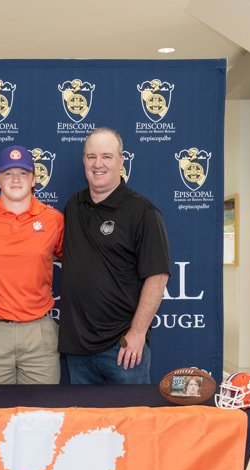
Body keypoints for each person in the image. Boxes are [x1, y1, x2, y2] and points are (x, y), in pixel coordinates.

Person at [58, 128, 171, 384]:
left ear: (121, 160)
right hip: (78, 350)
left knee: (131, 423)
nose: (98, 164)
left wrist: (138, 333)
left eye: (107, 156)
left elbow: (158, 276)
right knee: (86, 424)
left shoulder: (142, 212)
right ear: (83, 161)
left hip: (123, 348)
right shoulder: (74, 206)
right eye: (91, 157)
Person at [0, 145, 64, 384]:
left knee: (42, 415)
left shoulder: (54, 220)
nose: (16, 179)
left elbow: (74, 261)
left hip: (39, 332)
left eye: (23, 173)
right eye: (8, 173)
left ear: (34, 180)